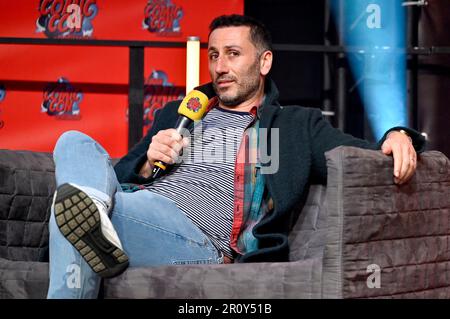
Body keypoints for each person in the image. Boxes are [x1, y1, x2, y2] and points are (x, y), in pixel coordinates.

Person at [47, 14, 425, 298]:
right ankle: (93, 214)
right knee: (73, 140)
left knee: (74, 206)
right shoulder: (180, 113)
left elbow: (364, 153)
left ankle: (91, 214)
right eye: (213, 55)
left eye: (232, 54)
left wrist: (396, 133)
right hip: (139, 211)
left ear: (263, 63)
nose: (219, 67)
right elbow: (121, 172)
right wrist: (148, 159)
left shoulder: (294, 125)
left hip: (199, 244)